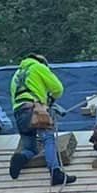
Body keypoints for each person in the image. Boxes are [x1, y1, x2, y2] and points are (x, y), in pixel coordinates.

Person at [8, 54, 76, 186]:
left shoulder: (17, 74)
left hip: (19, 111)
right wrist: (49, 99)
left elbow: (13, 96)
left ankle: (21, 158)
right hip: (35, 109)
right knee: (48, 139)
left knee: (31, 149)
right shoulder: (38, 67)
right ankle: (55, 172)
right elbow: (58, 89)